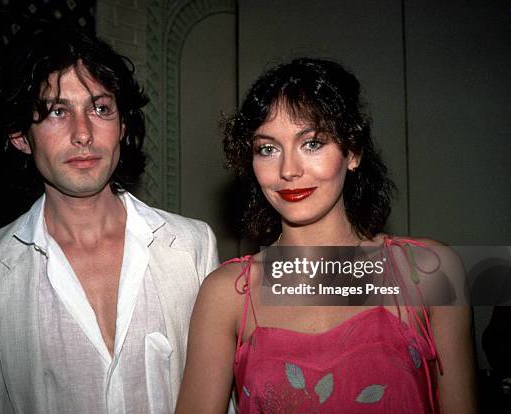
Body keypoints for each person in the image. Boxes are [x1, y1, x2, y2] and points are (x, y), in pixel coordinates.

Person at [0, 25, 218, 413]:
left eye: (100, 109)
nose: (83, 133)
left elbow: (225, 395)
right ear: (20, 136)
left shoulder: (192, 246)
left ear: (123, 126)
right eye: (56, 112)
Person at [176, 58, 476, 413]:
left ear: (352, 151)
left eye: (312, 143)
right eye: (268, 149)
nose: (288, 170)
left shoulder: (431, 272)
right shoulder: (226, 294)